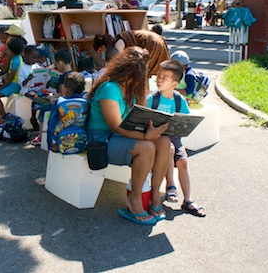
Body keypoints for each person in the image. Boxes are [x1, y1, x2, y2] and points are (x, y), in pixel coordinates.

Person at [87, 47, 170, 225]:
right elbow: (116, 126)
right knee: (147, 147)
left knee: (165, 143)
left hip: (120, 137)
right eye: (139, 76)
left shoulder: (130, 89)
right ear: (127, 72)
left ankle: (155, 197)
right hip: (102, 141)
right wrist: (147, 137)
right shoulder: (109, 88)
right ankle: (134, 199)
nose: (141, 80)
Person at [148, 59, 206, 217]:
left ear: (174, 84)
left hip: (173, 136)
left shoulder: (179, 100)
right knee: (170, 149)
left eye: (164, 78)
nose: (159, 80)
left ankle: (188, 199)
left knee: (183, 160)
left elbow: (185, 118)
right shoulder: (152, 99)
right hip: (156, 138)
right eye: (158, 76)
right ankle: (169, 187)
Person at [30, 48, 73, 145]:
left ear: (61, 63)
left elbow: (63, 96)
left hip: (62, 105)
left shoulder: (63, 77)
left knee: (43, 109)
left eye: (57, 64)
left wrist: (52, 98)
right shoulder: (74, 75)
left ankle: (41, 136)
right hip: (72, 102)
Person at [93, 30, 170, 78]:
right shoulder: (119, 37)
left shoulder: (117, 44)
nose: (102, 52)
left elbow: (119, 62)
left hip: (151, 44)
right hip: (157, 40)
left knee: (141, 73)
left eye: (101, 50)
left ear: (103, 46)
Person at [0, 37, 25, 118]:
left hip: (15, 84)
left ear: (10, 50)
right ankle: (0, 112)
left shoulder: (14, 61)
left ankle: (3, 115)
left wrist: (0, 87)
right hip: (14, 82)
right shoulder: (17, 58)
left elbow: (10, 80)